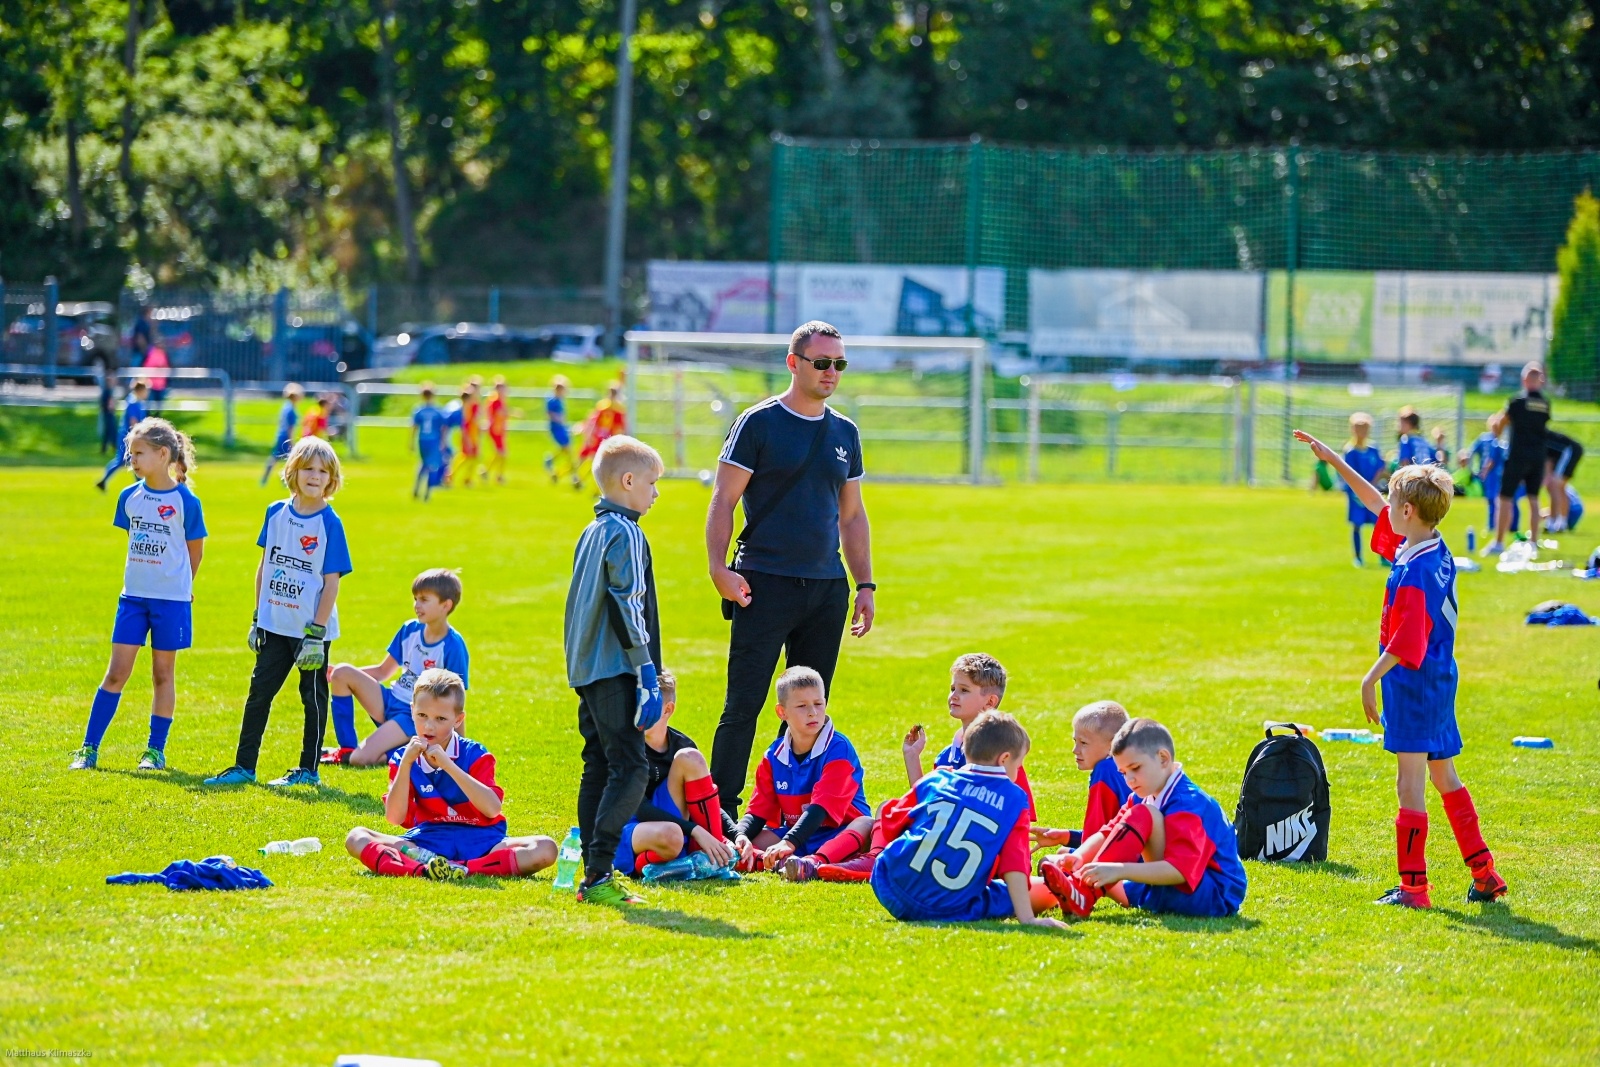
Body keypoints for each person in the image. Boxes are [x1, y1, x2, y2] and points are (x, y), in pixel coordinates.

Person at [1294, 430, 1507, 908]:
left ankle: (1414, 888)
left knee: (1409, 784)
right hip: (1438, 678)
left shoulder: (1413, 572)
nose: (1384, 508)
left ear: (1407, 512)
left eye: (1392, 503)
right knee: (1443, 777)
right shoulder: (1430, 544)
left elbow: (1406, 642)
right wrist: (1332, 459)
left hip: (1413, 683)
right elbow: (1376, 501)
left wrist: (1370, 678)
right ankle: (1485, 873)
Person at [706, 321, 875, 817]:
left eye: (839, 364)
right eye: (822, 362)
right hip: (764, 585)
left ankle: (789, 810)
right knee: (744, 706)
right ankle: (720, 813)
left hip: (827, 588)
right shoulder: (758, 423)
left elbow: (852, 514)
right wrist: (718, 568)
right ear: (794, 363)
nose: (831, 373)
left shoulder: (846, 431)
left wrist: (864, 584)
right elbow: (723, 501)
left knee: (808, 715)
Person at [204, 438, 352, 789]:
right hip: (273, 625)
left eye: (322, 471)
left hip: (310, 633)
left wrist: (316, 632)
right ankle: (244, 766)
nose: (314, 476)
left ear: (331, 479)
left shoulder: (330, 523)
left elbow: (331, 584)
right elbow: (265, 567)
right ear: (293, 471)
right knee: (259, 694)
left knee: (312, 699)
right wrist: (257, 617)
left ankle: (308, 770)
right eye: (308, 468)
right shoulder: (275, 513)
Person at [563, 435, 667, 905]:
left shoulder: (592, 530)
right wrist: (646, 671)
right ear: (628, 482)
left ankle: (590, 872)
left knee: (599, 765)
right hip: (617, 667)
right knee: (631, 769)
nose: (656, 492)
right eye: (652, 482)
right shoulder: (626, 532)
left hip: (587, 668)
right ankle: (600, 872)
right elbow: (628, 604)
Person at [70, 419, 205, 772]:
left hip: (171, 602)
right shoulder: (128, 497)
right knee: (116, 673)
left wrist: (184, 586)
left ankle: (154, 751)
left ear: (163, 455)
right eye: (130, 453)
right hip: (132, 599)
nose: (132, 459)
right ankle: (88, 749)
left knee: (162, 674)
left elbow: (195, 551)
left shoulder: (186, 502)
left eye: (139, 453)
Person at [345, 669, 557, 881]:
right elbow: (394, 817)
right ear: (412, 710)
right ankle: (425, 870)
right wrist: (406, 764)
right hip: (428, 843)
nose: (429, 726)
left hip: (482, 840)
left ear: (458, 719)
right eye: (422, 716)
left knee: (546, 848)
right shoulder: (404, 757)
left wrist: (449, 766)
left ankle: (466, 868)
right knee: (356, 837)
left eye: (440, 719)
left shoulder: (474, 754)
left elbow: (492, 809)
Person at [868, 711, 1065, 927]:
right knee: (1045, 889)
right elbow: (1015, 866)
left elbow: (890, 819)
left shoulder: (938, 778)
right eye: (1018, 766)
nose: (1017, 773)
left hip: (889, 886)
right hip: (949, 907)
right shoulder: (1014, 798)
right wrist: (1027, 919)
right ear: (1005, 759)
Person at [1041, 718, 1248, 919]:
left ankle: (1083, 892)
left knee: (1143, 815)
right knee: (1063, 861)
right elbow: (1109, 832)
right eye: (1123, 773)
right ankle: (1073, 888)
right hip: (1172, 882)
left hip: (1213, 894)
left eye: (1135, 768)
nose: (1129, 780)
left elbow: (1179, 871)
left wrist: (1119, 870)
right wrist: (1081, 856)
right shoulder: (1143, 793)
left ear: (1163, 759)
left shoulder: (1187, 803)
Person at [730, 667, 874, 879]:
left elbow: (819, 809)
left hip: (839, 834)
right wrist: (739, 836)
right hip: (797, 835)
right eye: (802, 706)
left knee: (866, 823)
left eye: (818, 704)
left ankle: (812, 864)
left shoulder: (839, 749)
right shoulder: (774, 755)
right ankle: (771, 861)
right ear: (782, 712)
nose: (812, 712)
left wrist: (788, 842)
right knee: (752, 841)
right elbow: (758, 812)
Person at [322, 568, 470, 767]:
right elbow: (383, 671)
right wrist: (339, 675)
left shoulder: (453, 646)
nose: (417, 605)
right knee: (342, 672)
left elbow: (456, 701)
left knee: (361, 759)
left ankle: (413, 750)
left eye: (424, 600)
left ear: (446, 605)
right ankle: (346, 750)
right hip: (390, 700)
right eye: (415, 599)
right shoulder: (410, 629)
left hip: (412, 715)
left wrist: (459, 750)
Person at [612, 670, 741, 878]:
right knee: (672, 836)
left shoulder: (682, 745)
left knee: (690, 757)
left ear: (667, 709)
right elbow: (640, 808)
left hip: (680, 828)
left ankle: (714, 858)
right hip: (631, 825)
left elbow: (706, 803)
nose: (636, 712)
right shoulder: (626, 747)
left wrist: (736, 833)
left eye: (646, 705)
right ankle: (657, 865)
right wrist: (695, 830)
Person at [1031, 699, 1133, 856]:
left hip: (1123, 866)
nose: (1075, 750)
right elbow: (1107, 833)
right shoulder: (1126, 766)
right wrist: (1066, 836)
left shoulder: (1105, 771)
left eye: (1083, 743)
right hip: (1141, 860)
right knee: (1062, 851)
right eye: (1075, 741)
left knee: (1052, 861)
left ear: (1113, 744)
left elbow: (1093, 842)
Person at [1485, 362, 1551, 556]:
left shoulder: (1517, 402)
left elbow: (1500, 425)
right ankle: (1533, 542)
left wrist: (1495, 429)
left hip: (1518, 455)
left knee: (1505, 498)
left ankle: (1498, 542)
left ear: (1524, 380)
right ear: (1541, 380)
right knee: (1534, 499)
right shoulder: (1546, 404)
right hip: (1538, 456)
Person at [1341, 413, 1388, 567]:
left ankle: (1383, 556)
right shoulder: (1350, 451)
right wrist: (1357, 490)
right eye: (1358, 428)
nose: (1362, 432)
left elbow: (1381, 467)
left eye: (1365, 429)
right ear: (1352, 430)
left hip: (1373, 493)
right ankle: (1358, 557)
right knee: (1357, 524)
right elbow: (1347, 472)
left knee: (1380, 524)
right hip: (1355, 495)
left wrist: (1374, 483)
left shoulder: (1373, 449)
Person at [95, 380, 149, 491]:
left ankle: (139, 486)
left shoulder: (137, 402)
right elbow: (133, 422)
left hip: (130, 437)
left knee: (129, 460)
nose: (147, 392)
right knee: (126, 460)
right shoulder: (133, 403)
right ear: (140, 390)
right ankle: (139, 486)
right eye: (146, 390)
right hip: (128, 438)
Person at [574, 383, 628, 489]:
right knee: (600, 463)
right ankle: (587, 483)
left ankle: (580, 478)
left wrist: (589, 434)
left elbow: (594, 422)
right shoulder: (618, 409)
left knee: (595, 460)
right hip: (608, 438)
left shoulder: (602, 405)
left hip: (598, 436)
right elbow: (620, 427)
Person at [1467, 415, 1506, 531]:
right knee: (1491, 499)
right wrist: (1472, 469)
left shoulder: (1500, 442)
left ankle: (1493, 525)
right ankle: (1492, 524)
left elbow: (1492, 460)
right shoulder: (1485, 439)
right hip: (1490, 475)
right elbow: (1472, 451)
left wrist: (1484, 470)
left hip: (1495, 474)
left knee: (1495, 499)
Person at [261, 384, 304, 486]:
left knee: (275, 457)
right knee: (291, 459)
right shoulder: (291, 410)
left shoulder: (286, 407)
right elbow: (290, 428)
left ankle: (266, 479)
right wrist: (292, 441)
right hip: (286, 437)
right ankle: (286, 480)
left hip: (280, 436)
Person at [411, 384, 447, 502]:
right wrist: (443, 441)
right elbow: (442, 427)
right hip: (433, 440)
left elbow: (414, 427)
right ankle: (427, 493)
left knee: (423, 463)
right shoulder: (437, 411)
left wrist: (411, 442)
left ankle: (416, 489)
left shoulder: (419, 410)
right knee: (432, 466)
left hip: (422, 440)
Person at [543, 375, 581, 488]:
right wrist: (558, 420)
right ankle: (573, 477)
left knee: (567, 451)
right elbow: (550, 414)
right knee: (568, 451)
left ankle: (554, 466)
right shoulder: (552, 400)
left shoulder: (559, 400)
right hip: (556, 429)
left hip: (562, 428)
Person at [1544, 429, 1583, 533]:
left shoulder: (1538, 437)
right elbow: (1548, 460)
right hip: (1562, 454)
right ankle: (1552, 522)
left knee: (1558, 486)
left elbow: (1548, 458)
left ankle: (1562, 523)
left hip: (1570, 451)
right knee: (1552, 486)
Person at [452, 379, 482, 488]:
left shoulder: (475, 404)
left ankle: (468, 479)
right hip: (469, 434)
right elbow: (466, 423)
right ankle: (450, 474)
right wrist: (467, 437)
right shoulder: (468, 405)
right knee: (466, 456)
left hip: (474, 434)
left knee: (474, 457)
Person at [484, 376, 510, 484]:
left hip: (500, 429)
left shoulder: (501, 400)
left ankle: (490, 472)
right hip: (495, 429)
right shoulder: (495, 400)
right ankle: (496, 475)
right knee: (502, 453)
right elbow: (499, 413)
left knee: (501, 454)